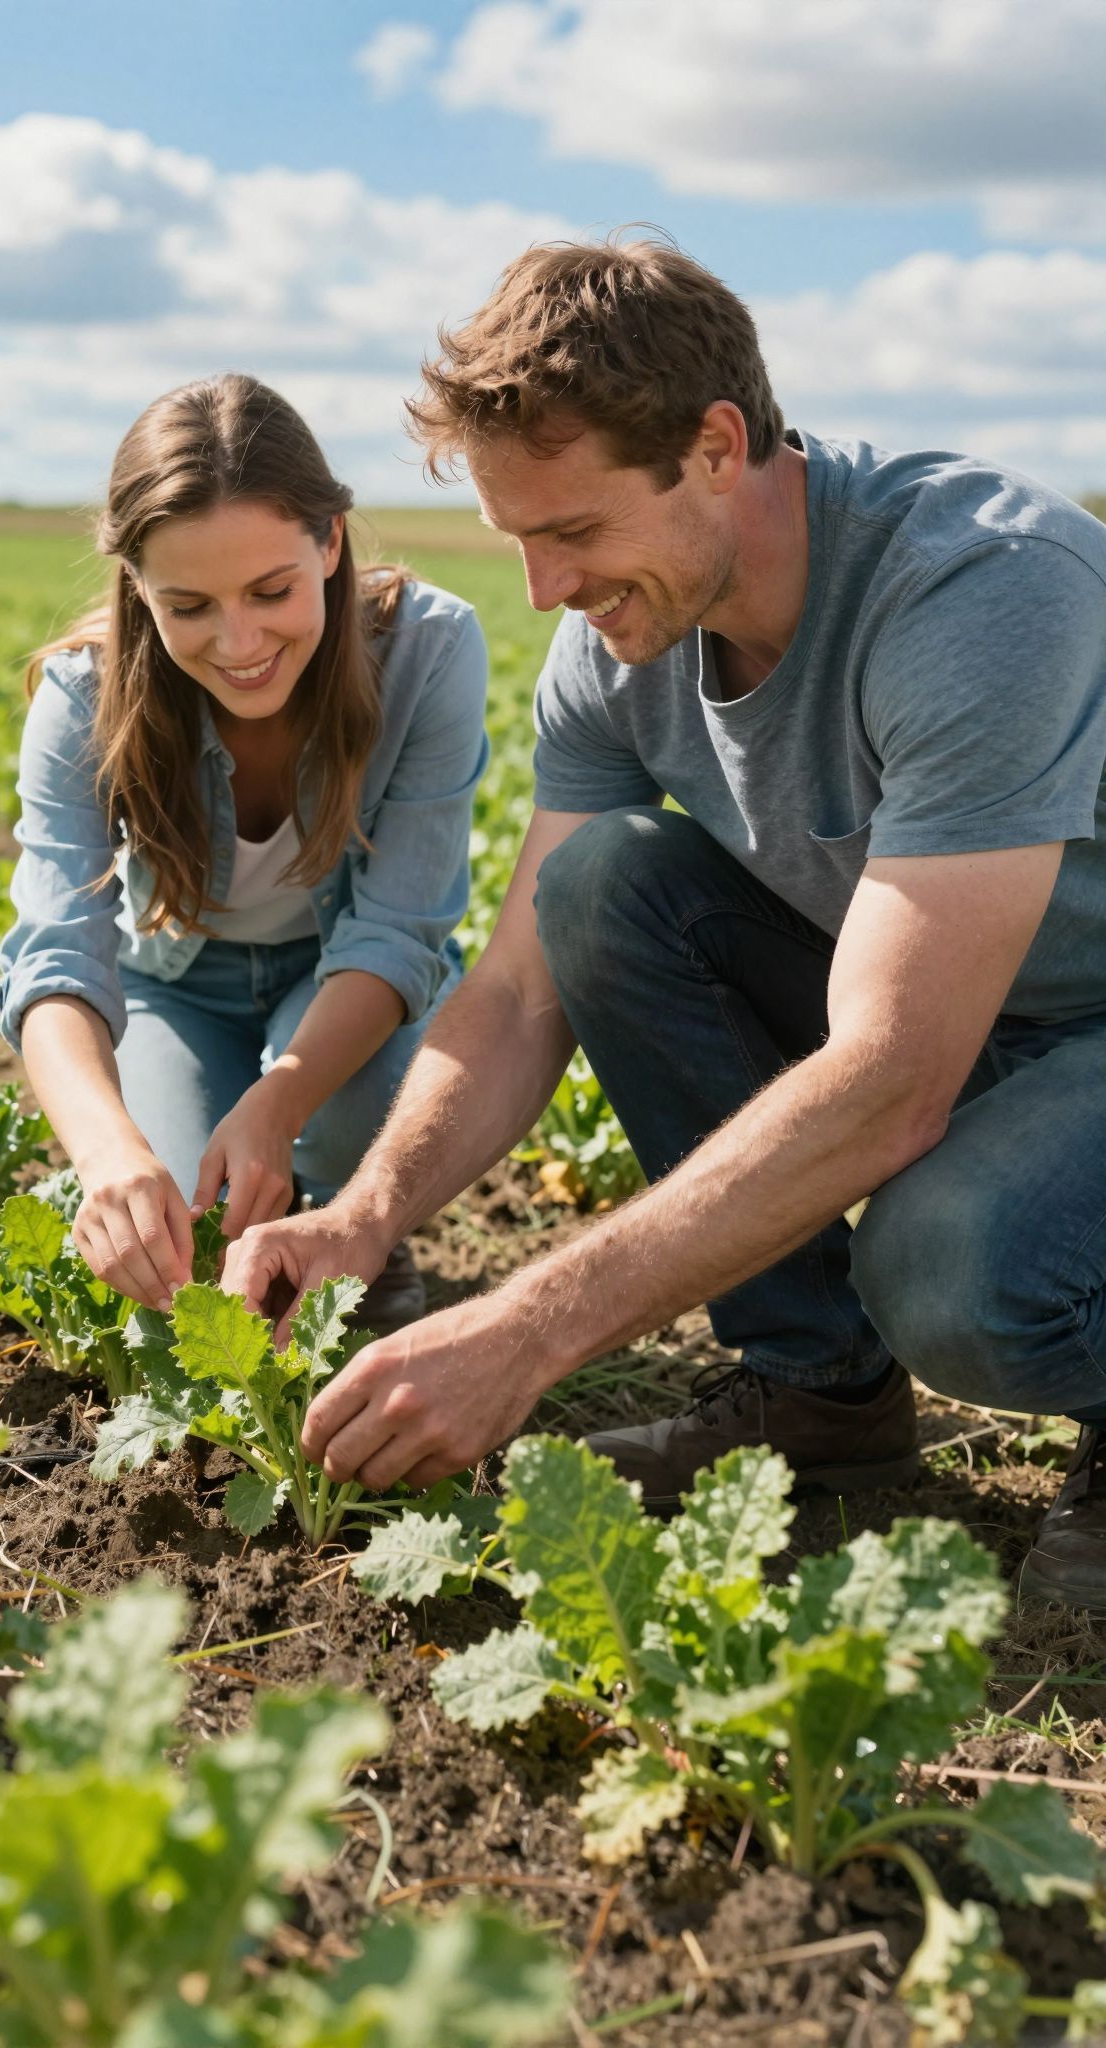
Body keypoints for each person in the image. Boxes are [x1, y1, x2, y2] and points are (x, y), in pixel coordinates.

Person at [224, 238, 1106, 1610]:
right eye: (520, 541)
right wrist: (364, 1216)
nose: (546, 590)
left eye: (573, 532)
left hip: (1082, 1025)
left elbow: (892, 1081)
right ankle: (820, 1392)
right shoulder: (617, 654)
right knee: (602, 886)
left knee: (952, 1270)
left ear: (714, 446)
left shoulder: (982, 590)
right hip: (969, 1014)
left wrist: (526, 1329)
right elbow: (517, 992)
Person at [0, 372, 489, 1335]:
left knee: (342, 1121)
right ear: (137, 584)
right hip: (177, 990)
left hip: (345, 980)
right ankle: (274, 1229)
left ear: (331, 540)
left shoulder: (429, 650)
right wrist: (106, 1156)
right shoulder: (81, 695)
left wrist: (280, 1100)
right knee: (184, 1229)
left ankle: (356, 1231)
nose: (240, 641)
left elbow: (397, 931)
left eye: (272, 591)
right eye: (188, 606)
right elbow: (54, 954)